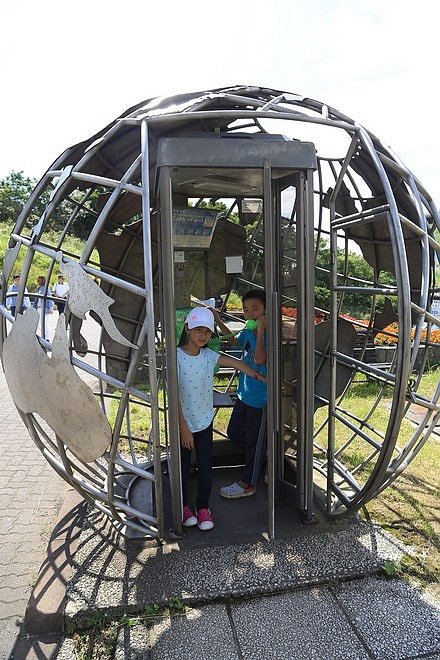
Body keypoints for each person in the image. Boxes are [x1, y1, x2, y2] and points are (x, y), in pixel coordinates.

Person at [178, 307, 266, 531]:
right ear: (187, 329)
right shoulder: (176, 357)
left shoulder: (209, 356)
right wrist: (183, 429)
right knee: (182, 468)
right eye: (198, 330)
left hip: (205, 422)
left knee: (206, 467)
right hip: (183, 425)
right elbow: (173, 397)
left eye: (207, 332)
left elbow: (236, 364)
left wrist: (257, 375)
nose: (203, 335)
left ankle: (203, 507)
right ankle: (183, 506)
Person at [216, 289, 268, 499]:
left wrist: (262, 331)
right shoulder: (247, 330)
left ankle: (249, 482)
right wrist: (218, 320)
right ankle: (262, 456)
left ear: (266, 310)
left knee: (255, 442)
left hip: (260, 398)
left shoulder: (269, 334)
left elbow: (259, 360)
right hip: (244, 393)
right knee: (234, 432)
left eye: (255, 308)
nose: (250, 313)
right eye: (246, 310)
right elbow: (233, 340)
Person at [33, 275, 53, 339]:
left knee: (44, 323)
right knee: (39, 324)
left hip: (44, 307)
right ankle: (44, 336)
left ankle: (47, 337)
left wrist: (51, 307)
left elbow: (49, 298)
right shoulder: (39, 288)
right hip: (39, 307)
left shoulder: (46, 288)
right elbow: (36, 300)